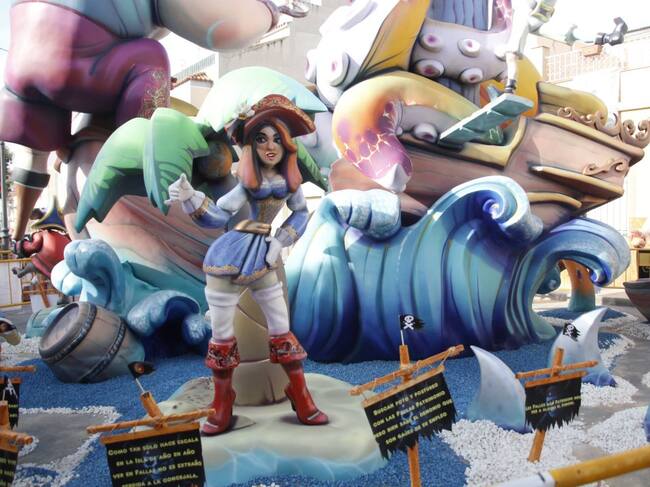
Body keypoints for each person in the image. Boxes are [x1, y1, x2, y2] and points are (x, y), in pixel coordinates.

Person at [166, 94, 328, 435]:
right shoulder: (245, 186)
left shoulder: (289, 184)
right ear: (252, 145)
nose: (270, 146)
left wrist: (281, 240)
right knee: (222, 334)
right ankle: (223, 402)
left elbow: (301, 214)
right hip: (229, 254)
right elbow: (216, 217)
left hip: (264, 255)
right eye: (261, 138)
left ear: (286, 145)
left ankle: (299, 393)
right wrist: (191, 198)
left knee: (281, 327)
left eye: (277, 139)